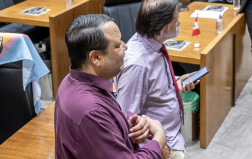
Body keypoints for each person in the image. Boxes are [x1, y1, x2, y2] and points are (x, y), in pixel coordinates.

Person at [55, 14, 168, 159]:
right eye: (117, 45)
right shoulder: (90, 110)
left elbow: (107, 112)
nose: (125, 46)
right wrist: (158, 140)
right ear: (95, 57)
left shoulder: (72, 79)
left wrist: (131, 119)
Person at [115, 0, 198, 159]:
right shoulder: (137, 65)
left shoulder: (154, 46)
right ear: (161, 25)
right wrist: (159, 146)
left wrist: (176, 82)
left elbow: (152, 85)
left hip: (172, 137)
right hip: (161, 148)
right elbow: (127, 121)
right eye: (176, 18)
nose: (179, 22)